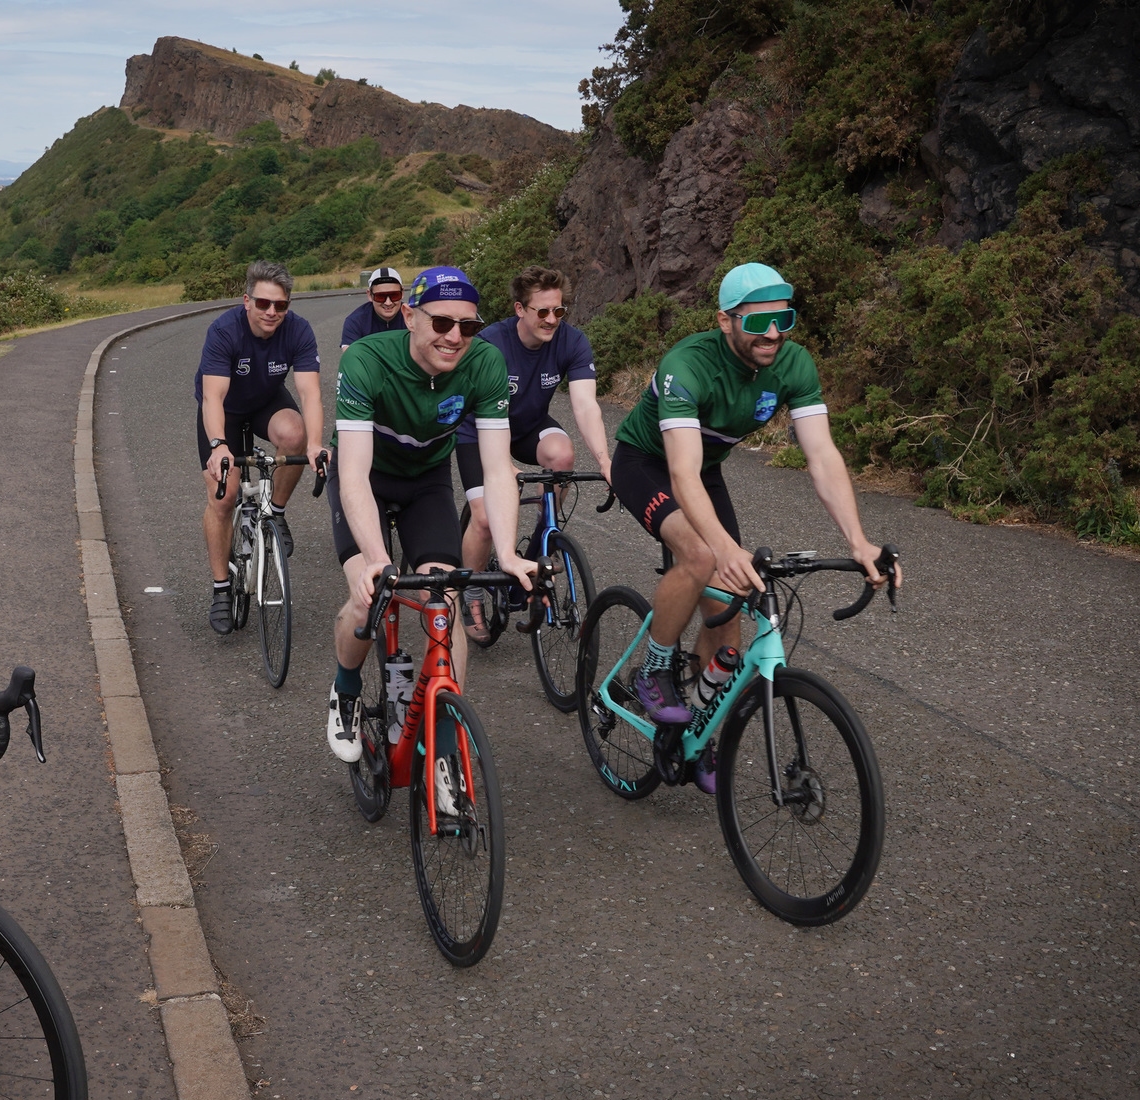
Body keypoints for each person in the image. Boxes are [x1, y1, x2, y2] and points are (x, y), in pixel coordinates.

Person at [608, 262, 900, 793]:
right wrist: (722, 548)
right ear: (725, 321)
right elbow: (680, 474)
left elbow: (822, 456)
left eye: (784, 319)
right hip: (646, 463)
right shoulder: (687, 365)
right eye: (758, 322)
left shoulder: (793, 364)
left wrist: (858, 541)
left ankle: (700, 725)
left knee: (728, 608)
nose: (773, 333)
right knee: (700, 558)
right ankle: (653, 668)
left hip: (707, 469)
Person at [325, 266, 533, 772]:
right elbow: (352, 474)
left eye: (468, 325)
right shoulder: (369, 361)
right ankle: (346, 689)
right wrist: (376, 560)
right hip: (367, 478)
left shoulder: (484, 363)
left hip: (426, 484)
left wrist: (507, 553)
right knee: (365, 596)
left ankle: (443, 739)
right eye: (442, 323)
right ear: (411, 317)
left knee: (444, 598)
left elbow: (497, 467)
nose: (455, 336)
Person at [455, 266, 614, 640]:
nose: (551, 319)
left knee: (561, 456)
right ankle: (473, 592)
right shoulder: (491, 343)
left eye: (558, 311)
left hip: (526, 426)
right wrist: (502, 467)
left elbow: (586, 406)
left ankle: (544, 538)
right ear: (519, 309)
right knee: (485, 518)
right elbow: (471, 407)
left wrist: (607, 461)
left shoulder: (572, 341)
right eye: (541, 311)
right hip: (477, 431)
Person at [197, 261, 325, 633]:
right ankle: (222, 589)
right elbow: (212, 397)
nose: (272, 312)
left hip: (266, 401)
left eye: (280, 305)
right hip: (226, 411)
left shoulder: (298, 330)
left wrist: (316, 445)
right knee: (224, 495)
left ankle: (276, 512)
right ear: (247, 301)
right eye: (264, 303)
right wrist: (219, 445)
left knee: (294, 434)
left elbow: (310, 393)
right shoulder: (224, 331)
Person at [340, 266, 404, 351]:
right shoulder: (355, 321)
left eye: (394, 295)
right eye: (380, 296)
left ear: (402, 294)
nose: (388, 303)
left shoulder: (415, 316)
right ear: (370, 295)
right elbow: (350, 357)